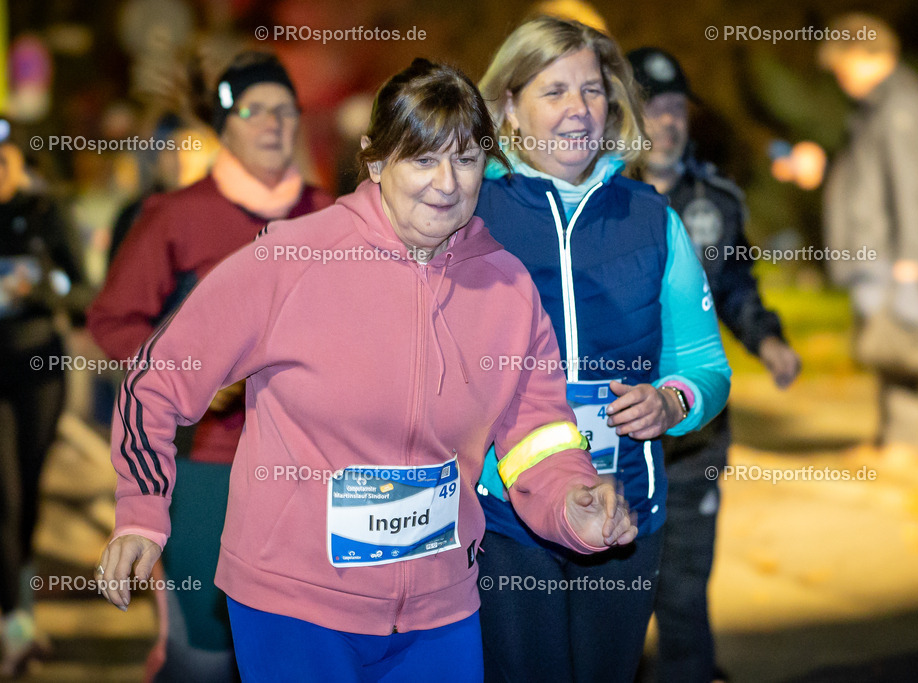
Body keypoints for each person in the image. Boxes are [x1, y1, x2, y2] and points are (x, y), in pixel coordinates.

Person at [95, 57, 636, 682]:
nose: (445, 183)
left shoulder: (507, 286)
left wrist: (573, 498)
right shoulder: (292, 259)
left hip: (440, 608)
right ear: (376, 162)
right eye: (421, 158)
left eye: (464, 159)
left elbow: (537, 431)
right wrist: (141, 512)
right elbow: (154, 381)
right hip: (295, 605)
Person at [473, 17, 732, 683]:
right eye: (553, 91)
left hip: (625, 513)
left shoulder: (652, 216)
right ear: (509, 106)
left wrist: (673, 399)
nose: (578, 110)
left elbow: (705, 363)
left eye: (591, 90)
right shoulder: (471, 212)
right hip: (503, 514)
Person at [87, 52, 333, 681]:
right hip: (208, 465)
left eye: (286, 110)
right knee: (206, 643)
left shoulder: (335, 217)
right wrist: (199, 372)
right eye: (255, 110)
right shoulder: (177, 216)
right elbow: (114, 321)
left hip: (314, 467)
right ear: (225, 125)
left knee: (298, 638)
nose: (274, 123)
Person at [627, 47, 801, 683]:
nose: (668, 121)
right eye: (653, 107)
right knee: (617, 595)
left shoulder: (715, 200)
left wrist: (770, 341)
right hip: (615, 435)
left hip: (694, 437)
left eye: (676, 108)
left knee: (684, 589)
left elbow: (736, 289)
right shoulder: (599, 201)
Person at [819, 15, 918, 460]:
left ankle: (904, 442)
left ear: (868, 55)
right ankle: (891, 436)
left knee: (905, 342)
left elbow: (914, 184)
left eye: (842, 65)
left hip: (898, 251)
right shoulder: (879, 104)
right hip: (882, 248)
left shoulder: (900, 105)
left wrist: (912, 256)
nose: (839, 76)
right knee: (887, 342)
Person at [0, 140, 89, 677]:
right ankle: (16, 626)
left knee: (29, 495)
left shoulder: (45, 212)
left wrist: (40, 287)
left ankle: (21, 607)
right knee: (2, 498)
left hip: (38, 373)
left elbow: (82, 292)